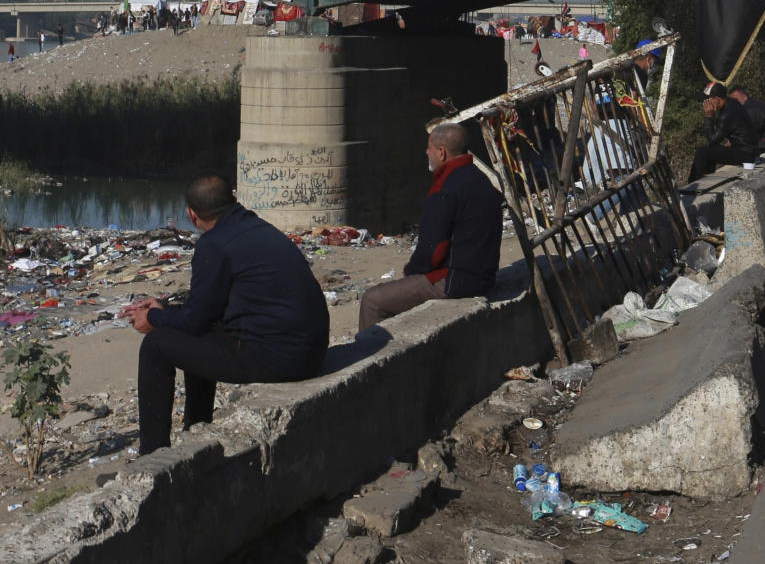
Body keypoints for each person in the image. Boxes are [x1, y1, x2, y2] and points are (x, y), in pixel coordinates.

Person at [118, 173, 329, 456]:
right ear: (234, 200)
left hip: (281, 360)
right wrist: (164, 308)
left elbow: (196, 321)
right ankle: (197, 431)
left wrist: (153, 319)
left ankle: (151, 457)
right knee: (195, 333)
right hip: (309, 350)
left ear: (191, 216)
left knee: (156, 346)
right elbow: (207, 312)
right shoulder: (257, 227)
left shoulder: (213, 245)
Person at [358, 122, 503, 331]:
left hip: (457, 280)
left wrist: (413, 272)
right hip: (484, 276)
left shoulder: (445, 188)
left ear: (442, 153)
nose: (427, 152)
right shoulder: (481, 180)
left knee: (372, 300)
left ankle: (371, 357)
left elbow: (432, 251)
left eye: (430, 148)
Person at [688, 81, 758, 182]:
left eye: (707, 100)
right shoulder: (731, 103)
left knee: (702, 152)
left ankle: (693, 184)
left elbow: (712, 140)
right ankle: (704, 180)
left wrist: (709, 116)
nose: (705, 103)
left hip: (746, 154)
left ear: (717, 99)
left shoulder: (727, 113)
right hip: (747, 150)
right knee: (710, 151)